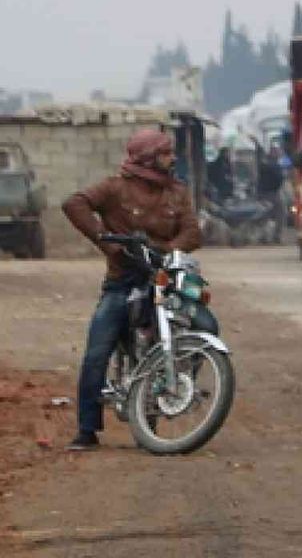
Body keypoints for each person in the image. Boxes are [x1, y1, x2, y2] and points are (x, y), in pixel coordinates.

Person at [61, 128, 212, 451]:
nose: (173, 158)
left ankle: (169, 385)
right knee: (97, 351)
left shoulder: (177, 192)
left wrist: (168, 252)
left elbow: (192, 233)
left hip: (165, 280)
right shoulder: (115, 188)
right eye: (166, 153)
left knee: (207, 326)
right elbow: (75, 203)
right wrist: (105, 241)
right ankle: (87, 430)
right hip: (123, 282)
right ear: (148, 158)